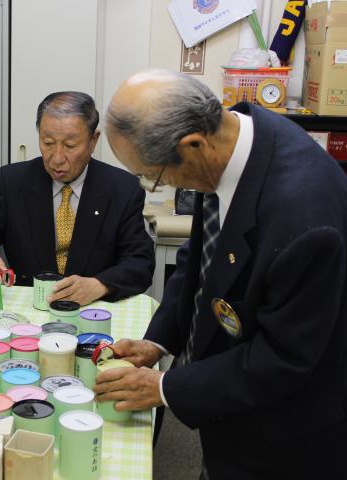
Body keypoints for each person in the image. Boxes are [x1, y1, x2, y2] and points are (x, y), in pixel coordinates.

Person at [95, 70, 347, 478]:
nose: (150, 184)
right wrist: (159, 341)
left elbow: (282, 358)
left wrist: (164, 388)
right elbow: (202, 257)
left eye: (151, 176)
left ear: (193, 145)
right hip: (231, 404)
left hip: (284, 434)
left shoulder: (304, 221)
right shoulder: (234, 143)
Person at [0, 91, 154, 305]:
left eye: (70, 146)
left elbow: (140, 261)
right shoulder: (12, 182)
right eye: (48, 143)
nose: (57, 158)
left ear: (93, 141)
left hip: (92, 311)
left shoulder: (122, 189)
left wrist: (99, 285)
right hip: (29, 311)